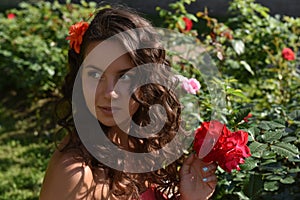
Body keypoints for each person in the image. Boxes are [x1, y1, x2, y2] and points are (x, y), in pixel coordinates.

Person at [40, 6, 217, 200]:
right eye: (95, 74)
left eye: (124, 76)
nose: (109, 92)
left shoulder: (142, 141)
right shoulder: (76, 176)